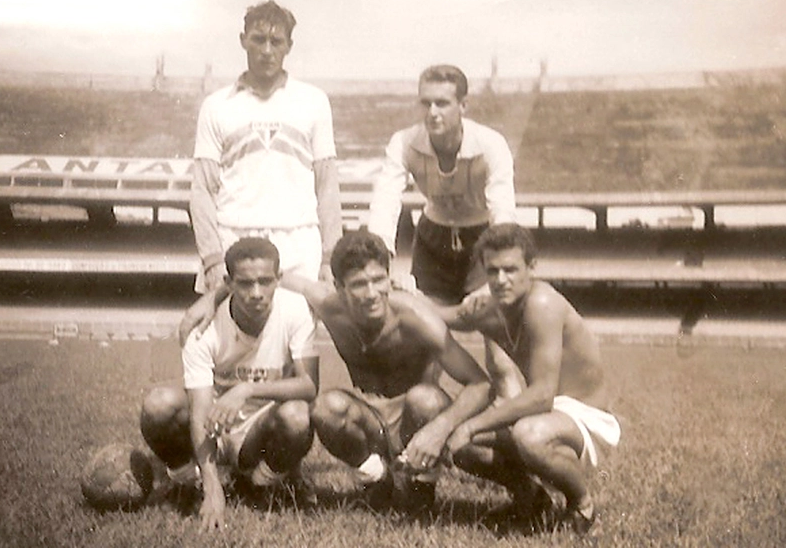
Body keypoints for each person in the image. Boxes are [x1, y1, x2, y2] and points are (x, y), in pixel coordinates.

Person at [181, 230, 491, 513]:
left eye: (378, 280)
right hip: (371, 418)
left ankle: (421, 487)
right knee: (326, 407)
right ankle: (377, 479)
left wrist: (439, 429)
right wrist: (210, 300)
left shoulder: (415, 316)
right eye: (358, 284)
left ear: (389, 278)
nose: (371, 293)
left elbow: (479, 382)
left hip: (415, 420)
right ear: (339, 287)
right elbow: (262, 278)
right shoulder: (327, 304)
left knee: (425, 399)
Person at [445, 223, 621, 533]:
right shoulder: (493, 306)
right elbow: (439, 316)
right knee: (461, 445)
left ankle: (583, 507)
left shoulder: (542, 303)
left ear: (532, 267)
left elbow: (541, 395)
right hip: (549, 414)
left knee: (527, 434)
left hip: (586, 418)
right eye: (493, 271)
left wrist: (472, 424)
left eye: (511, 270)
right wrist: (397, 294)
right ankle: (531, 499)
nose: (501, 280)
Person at [140, 237, 319, 531]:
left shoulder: (295, 310)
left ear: (279, 279)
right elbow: (199, 412)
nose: (257, 293)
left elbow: (309, 386)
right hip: (215, 423)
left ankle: (259, 484)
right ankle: (190, 482)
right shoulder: (205, 325)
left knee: (297, 415)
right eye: (246, 283)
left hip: (260, 430)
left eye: (265, 281)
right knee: (159, 404)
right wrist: (213, 487)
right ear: (228, 283)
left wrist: (246, 389)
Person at [190, 0, 343, 293]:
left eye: (277, 41)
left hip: (298, 243)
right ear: (243, 41)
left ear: (289, 46)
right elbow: (202, 190)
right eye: (258, 40)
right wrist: (212, 260)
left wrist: (329, 258)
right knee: (232, 336)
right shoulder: (216, 106)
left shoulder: (313, 101)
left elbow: (327, 187)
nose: (267, 50)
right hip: (233, 239)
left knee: (296, 336)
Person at [367, 64, 517, 305]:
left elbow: (503, 210)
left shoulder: (491, 144)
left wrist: (499, 262)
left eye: (442, 103)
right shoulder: (404, 142)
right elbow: (385, 200)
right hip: (433, 240)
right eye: (426, 103)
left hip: (482, 237)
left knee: (493, 319)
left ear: (463, 105)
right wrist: (376, 258)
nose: (432, 112)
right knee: (426, 326)